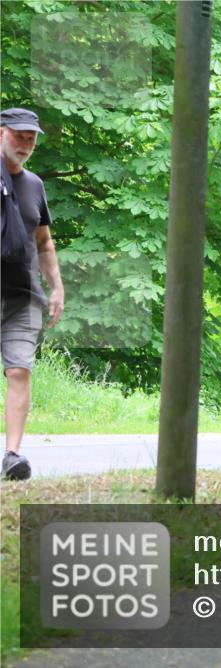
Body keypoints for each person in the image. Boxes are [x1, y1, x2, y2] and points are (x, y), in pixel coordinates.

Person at [1, 108, 65, 481]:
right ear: (1, 134)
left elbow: (43, 241)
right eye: (19, 136)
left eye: (32, 138)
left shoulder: (35, 186)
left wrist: (56, 285)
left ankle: (12, 454)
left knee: (20, 369)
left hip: (23, 297)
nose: (26, 144)